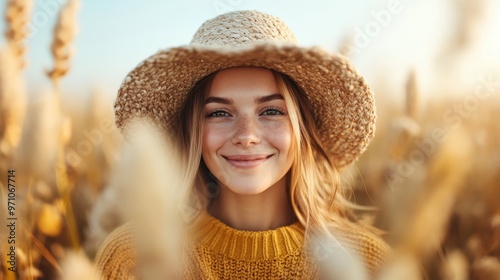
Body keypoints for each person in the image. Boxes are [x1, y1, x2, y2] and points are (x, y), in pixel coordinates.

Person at [95, 10, 390, 279]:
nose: (246, 135)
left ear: (302, 129)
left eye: (272, 111)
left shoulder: (369, 262)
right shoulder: (131, 257)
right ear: (193, 131)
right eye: (219, 113)